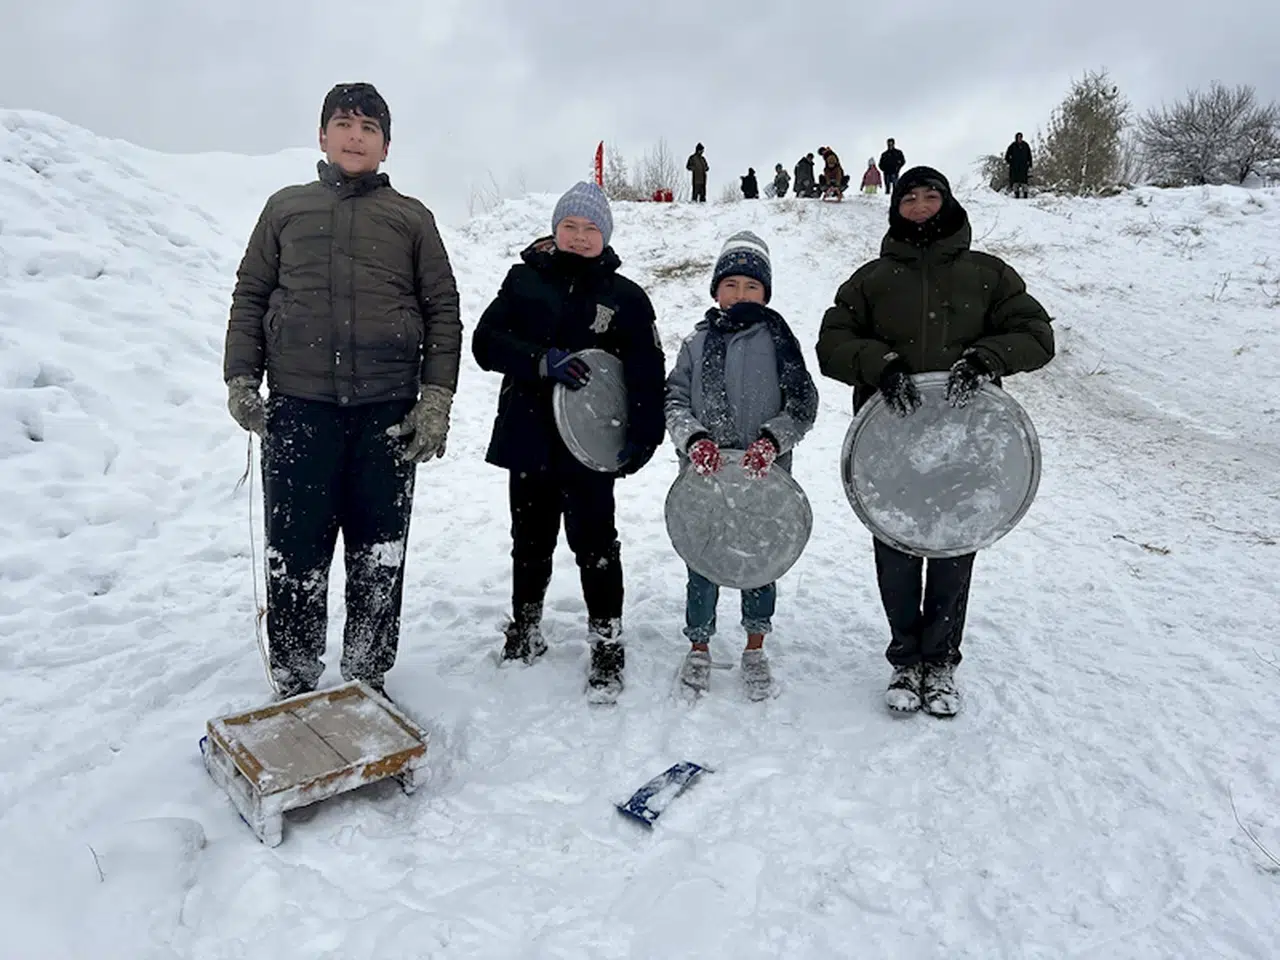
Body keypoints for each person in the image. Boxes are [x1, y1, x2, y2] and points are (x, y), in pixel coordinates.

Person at [223, 82, 461, 701]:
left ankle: (366, 674)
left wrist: (434, 402)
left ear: (386, 145)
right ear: (322, 136)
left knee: (378, 550)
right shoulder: (286, 208)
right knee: (295, 553)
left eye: (369, 127)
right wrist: (241, 378)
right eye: (344, 124)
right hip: (300, 409)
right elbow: (251, 295)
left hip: (387, 411)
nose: (356, 136)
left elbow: (443, 312)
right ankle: (296, 679)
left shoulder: (411, 218)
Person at [815, 166, 1054, 717]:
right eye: (910, 197)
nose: (920, 205)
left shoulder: (988, 275)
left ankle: (940, 660)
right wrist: (880, 365)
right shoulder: (871, 280)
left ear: (947, 203)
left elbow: (1037, 335)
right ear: (895, 207)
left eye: (931, 196)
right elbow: (833, 343)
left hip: (967, 446)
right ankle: (905, 658)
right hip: (890, 445)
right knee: (896, 550)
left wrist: (986, 358)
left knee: (951, 549)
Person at [471, 182, 666, 703]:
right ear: (555, 230)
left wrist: (644, 437)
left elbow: (647, 372)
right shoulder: (524, 280)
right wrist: (541, 359)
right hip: (530, 437)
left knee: (596, 546)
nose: (579, 238)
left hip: (590, 447)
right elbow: (485, 343)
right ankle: (527, 626)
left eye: (590, 229)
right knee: (529, 541)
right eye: (569, 227)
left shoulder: (626, 298)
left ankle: (607, 641)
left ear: (605, 236)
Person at [665, 231, 818, 701]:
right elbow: (672, 399)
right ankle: (699, 645)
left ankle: (755, 645)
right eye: (730, 284)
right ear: (716, 290)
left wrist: (773, 441)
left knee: (759, 563)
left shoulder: (780, 341)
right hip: (705, 478)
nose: (740, 294)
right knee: (703, 560)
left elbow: (803, 404)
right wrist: (694, 439)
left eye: (751, 286)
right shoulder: (697, 341)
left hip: (762, 478)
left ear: (766, 293)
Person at [1005, 132, 1033, 198]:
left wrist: (1030, 165)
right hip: (1015, 168)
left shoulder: (1025, 145)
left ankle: (1025, 194)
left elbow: (1029, 156)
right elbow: (1007, 156)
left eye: (1020, 137)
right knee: (1015, 182)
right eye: (1018, 137)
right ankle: (1016, 194)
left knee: (1024, 182)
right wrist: (1011, 162)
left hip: (1024, 167)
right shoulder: (1012, 146)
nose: (1019, 139)